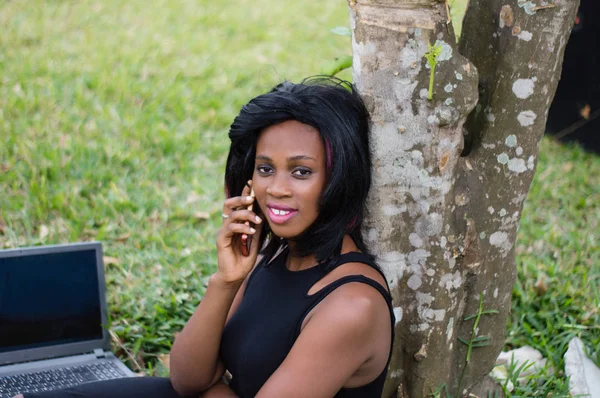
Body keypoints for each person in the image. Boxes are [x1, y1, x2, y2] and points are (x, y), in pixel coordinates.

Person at [16, 77, 395, 398]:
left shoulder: (352, 305)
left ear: (339, 179)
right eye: (265, 168)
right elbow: (186, 379)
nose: (276, 188)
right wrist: (225, 281)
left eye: (301, 172)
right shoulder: (273, 256)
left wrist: (215, 388)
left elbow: (203, 387)